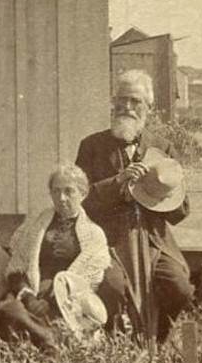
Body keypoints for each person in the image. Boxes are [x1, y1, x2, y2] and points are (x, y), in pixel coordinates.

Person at [75, 69, 193, 341]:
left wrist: (158, 189)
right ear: (113, 103)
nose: (127, 107)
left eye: (136, 101)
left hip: (154, 239)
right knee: (112, 286)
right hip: (108, 238)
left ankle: (157, 339)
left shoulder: (163, 148)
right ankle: (116, 345)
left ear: (148, 108)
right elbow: (80, 202)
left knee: (179, 287)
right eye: (122, 99)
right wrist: (117, 183)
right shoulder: (92, 146)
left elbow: (182, 210)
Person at [0, 164, 120, 349]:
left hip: (69, 303)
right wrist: (29, 298)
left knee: (59, 323)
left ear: (83, 194)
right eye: (56, 191)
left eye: (69, 191)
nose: (61, 198)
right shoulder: (35, 224)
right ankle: (47, 338)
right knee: (8, 310)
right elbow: (16, 268)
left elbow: (88, 284)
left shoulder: (94, 234)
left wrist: (52, 300)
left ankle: (45, 338)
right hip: (33, 295)